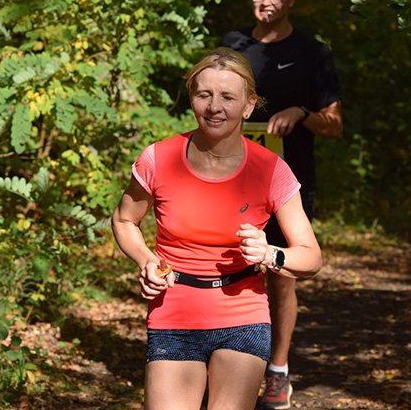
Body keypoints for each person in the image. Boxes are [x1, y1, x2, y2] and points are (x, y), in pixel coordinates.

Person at [112, 48, 323, 410]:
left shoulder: (270, 169)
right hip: (174, 312)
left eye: (227, 97)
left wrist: (271, 253)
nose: (214, 107)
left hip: (243, 313)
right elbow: (124, 219)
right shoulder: (158, 159)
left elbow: (311, 256)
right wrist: (146, 259)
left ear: (248, 105)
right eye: (204, 94)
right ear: (192, 97)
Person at [220, 0, 343, 409]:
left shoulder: (313, 52)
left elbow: (334, 124)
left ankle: (277, 370)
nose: (265, 0)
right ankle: (227, 364)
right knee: (227, 271)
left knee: (280, 274)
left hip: (287, 183)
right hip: (230, 181)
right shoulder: (233, 46)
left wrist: (301, 114)